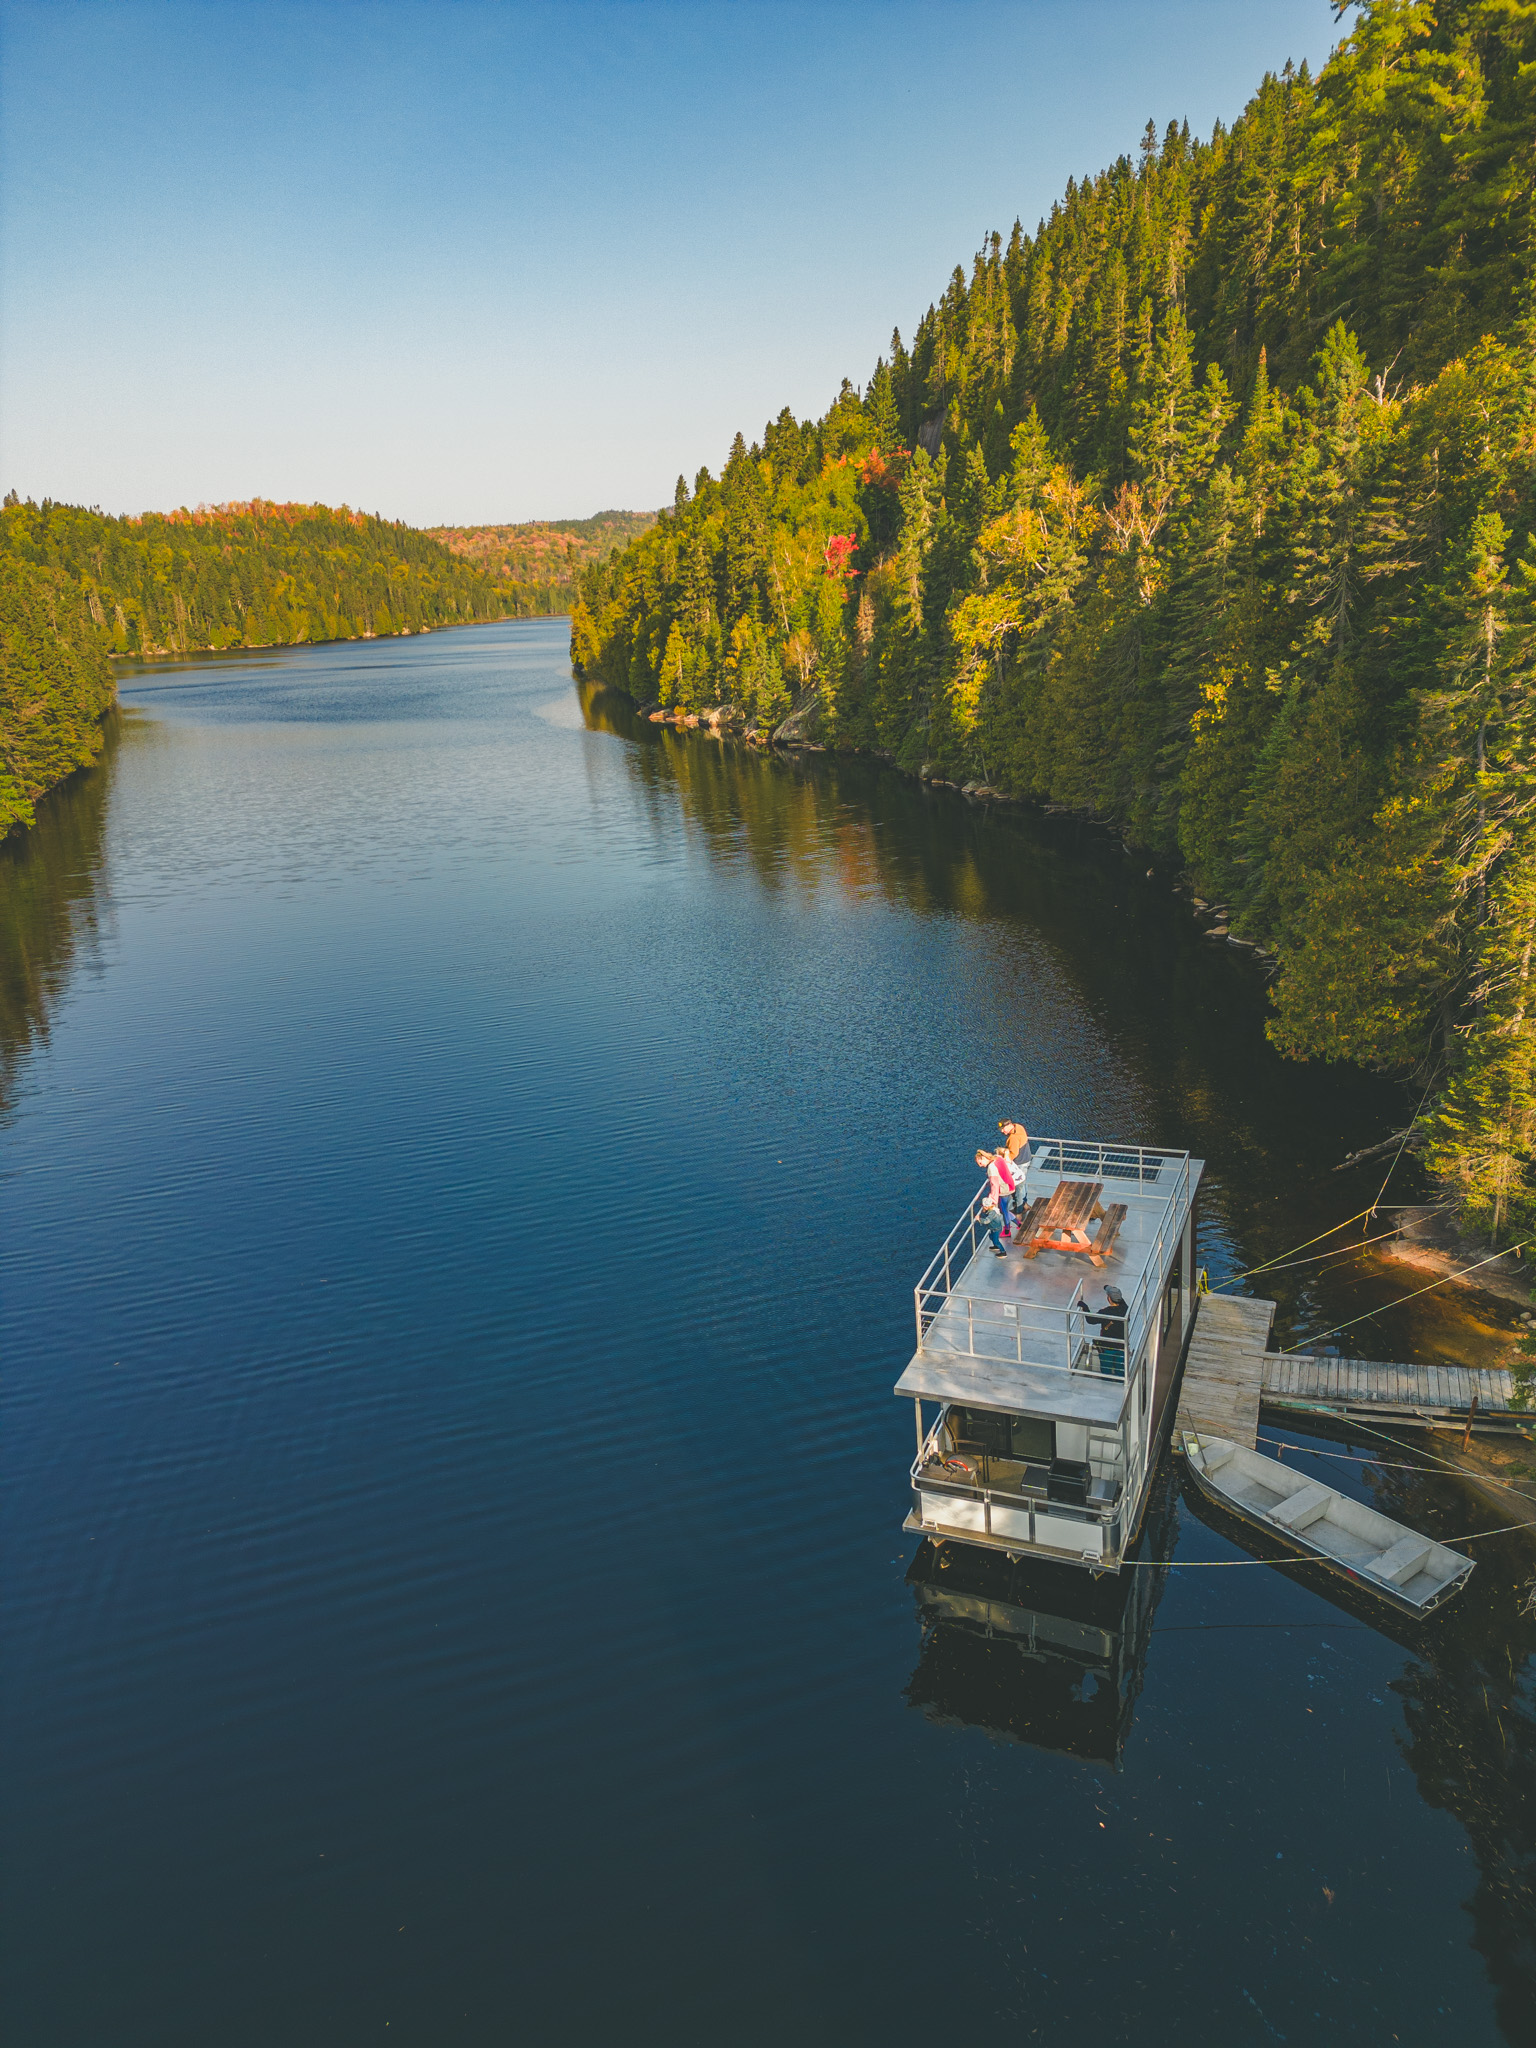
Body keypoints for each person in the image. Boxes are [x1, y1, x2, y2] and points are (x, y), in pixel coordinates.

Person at [1086, 1286, 1128, 1375]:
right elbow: (1121, 1301)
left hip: (1107, 1347)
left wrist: (1085, 1307)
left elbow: (1090, 1320)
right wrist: (1110, 1288)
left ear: (1109, 1298)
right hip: (1121, 1346)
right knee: (1120, 1371)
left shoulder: (1105, 1312)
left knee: (1106, 1370)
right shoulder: (1125, 1309)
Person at [976, 1147, 1014, 1240]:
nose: (981, 1166)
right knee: (1004, 1209)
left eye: (980, 1163)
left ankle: (1007, 1230)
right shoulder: (997, 1157)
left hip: (1003, 1189)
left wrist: (992, 1200)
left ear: (983, 1158)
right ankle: (1018, 1223)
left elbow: (994, 1185)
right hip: (1009, 1185)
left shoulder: (991, 1168)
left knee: (1003, 1211)